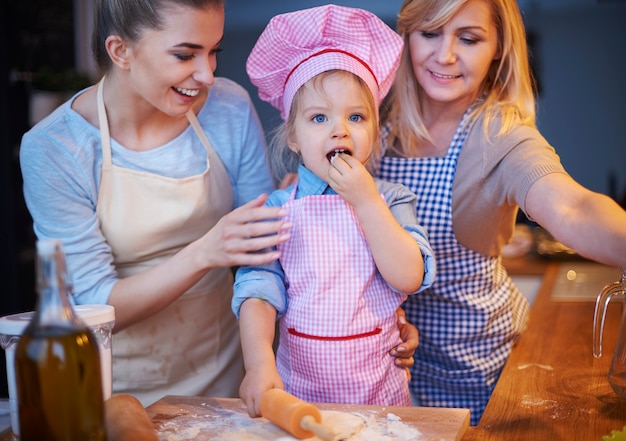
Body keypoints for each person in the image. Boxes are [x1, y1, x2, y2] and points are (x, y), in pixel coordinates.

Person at [19, 0, 417, 407]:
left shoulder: (228, 107)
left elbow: (270, 258)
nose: (207, 74)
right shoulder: (54, 148)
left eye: (214, 52)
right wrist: (205, 253)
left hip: (226, 384)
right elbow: (92, 308)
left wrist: (372, 314)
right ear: (120, 50)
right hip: (115, 391)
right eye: (185, 54)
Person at [375, 0, 626, 425]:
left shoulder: (500, 135)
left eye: (469, 39)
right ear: (405, 37)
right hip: (384, 369)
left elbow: (573, 205)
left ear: (498, 49)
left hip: (476, 373)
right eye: (430, 33)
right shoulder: (371, 124)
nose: (445, 55)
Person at [232, 4, 436, 417]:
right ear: (293, 136)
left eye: (356, 116)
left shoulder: (391, 199)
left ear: (374, 131)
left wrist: (366, 200)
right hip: (300, 394)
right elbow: (257, 290)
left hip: (380, 398)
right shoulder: (277, 208)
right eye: (319, 117)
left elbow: (409, 276)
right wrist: (258, 364)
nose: (339, 129)